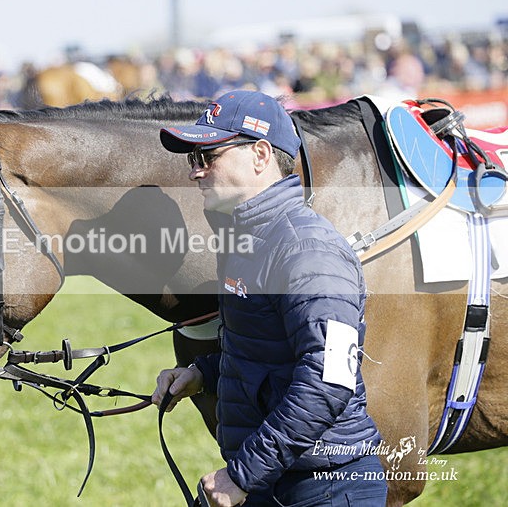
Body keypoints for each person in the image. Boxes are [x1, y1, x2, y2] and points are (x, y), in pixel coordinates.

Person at [152, 90, 387, 506]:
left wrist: (242, 475)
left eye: (208, 157)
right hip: (280, 478)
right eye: (193, 160)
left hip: (325, 487)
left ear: (260, 155)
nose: (195, 172)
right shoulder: (247, 239)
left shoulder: (307, 249)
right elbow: (266, 348)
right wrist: (201, 373)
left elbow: (329, 381)